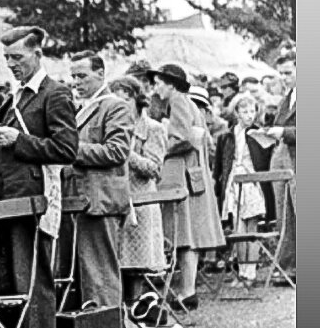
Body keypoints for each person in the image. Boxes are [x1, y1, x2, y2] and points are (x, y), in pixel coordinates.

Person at [0, 27, 78, 328]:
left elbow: (66, 149)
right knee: (9, 283)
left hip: (32, 203)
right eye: (7, 59)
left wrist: (19, 140)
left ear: (38, 55)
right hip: (5, 202)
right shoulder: (15, 97)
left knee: (32, 281)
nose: (12, 65)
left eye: (18, 58)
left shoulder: (54, 94)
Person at [59, 52, 132, 311]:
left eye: (82, 76)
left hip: (100, 201)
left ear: (101, 74)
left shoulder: (115, 106)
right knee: (81, 273)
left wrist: (69, 149)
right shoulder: (82, 108)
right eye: (73, 77)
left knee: (100, 274)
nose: (76, 82)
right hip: (77, 200)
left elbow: (116, 151)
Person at [148, 64, 226, 309]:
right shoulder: (188, 103)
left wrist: (159, 149)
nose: (156, 87)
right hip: (189, 174)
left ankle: (187, 290)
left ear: (171, 84)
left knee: (186, 234)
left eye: (160, 82)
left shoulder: (180, 102)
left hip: (182, 175)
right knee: (187, 234)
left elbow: (181, 138)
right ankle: (187, 289)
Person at [109, 76, 168, 303]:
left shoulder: (153, 128)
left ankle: (136, 309)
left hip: (142, 201)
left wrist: (126, 153)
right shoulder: (114, 126)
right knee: (117, 259)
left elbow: (154, 168)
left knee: (136, 263)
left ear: (135, 98)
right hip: (119, 198)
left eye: (123, 101)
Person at [213, 93, 273, 284]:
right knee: (238, 227)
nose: (249, 115)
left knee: (252, 226)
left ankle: (251, 271)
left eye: (252, 111)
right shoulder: (226, 137)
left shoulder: (259, 134)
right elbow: (220, 165)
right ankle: (241, 270)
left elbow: (266, 162)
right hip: (233, 181)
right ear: (236, 113)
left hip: (253, 183)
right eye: (244, 111)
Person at [266, 50, 296, 282]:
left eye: (288, 73)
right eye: (281, 73)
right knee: (284, 214)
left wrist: (284, 132)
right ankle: (287, 266)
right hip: (283, 158)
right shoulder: (287, 99)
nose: (284, 78)